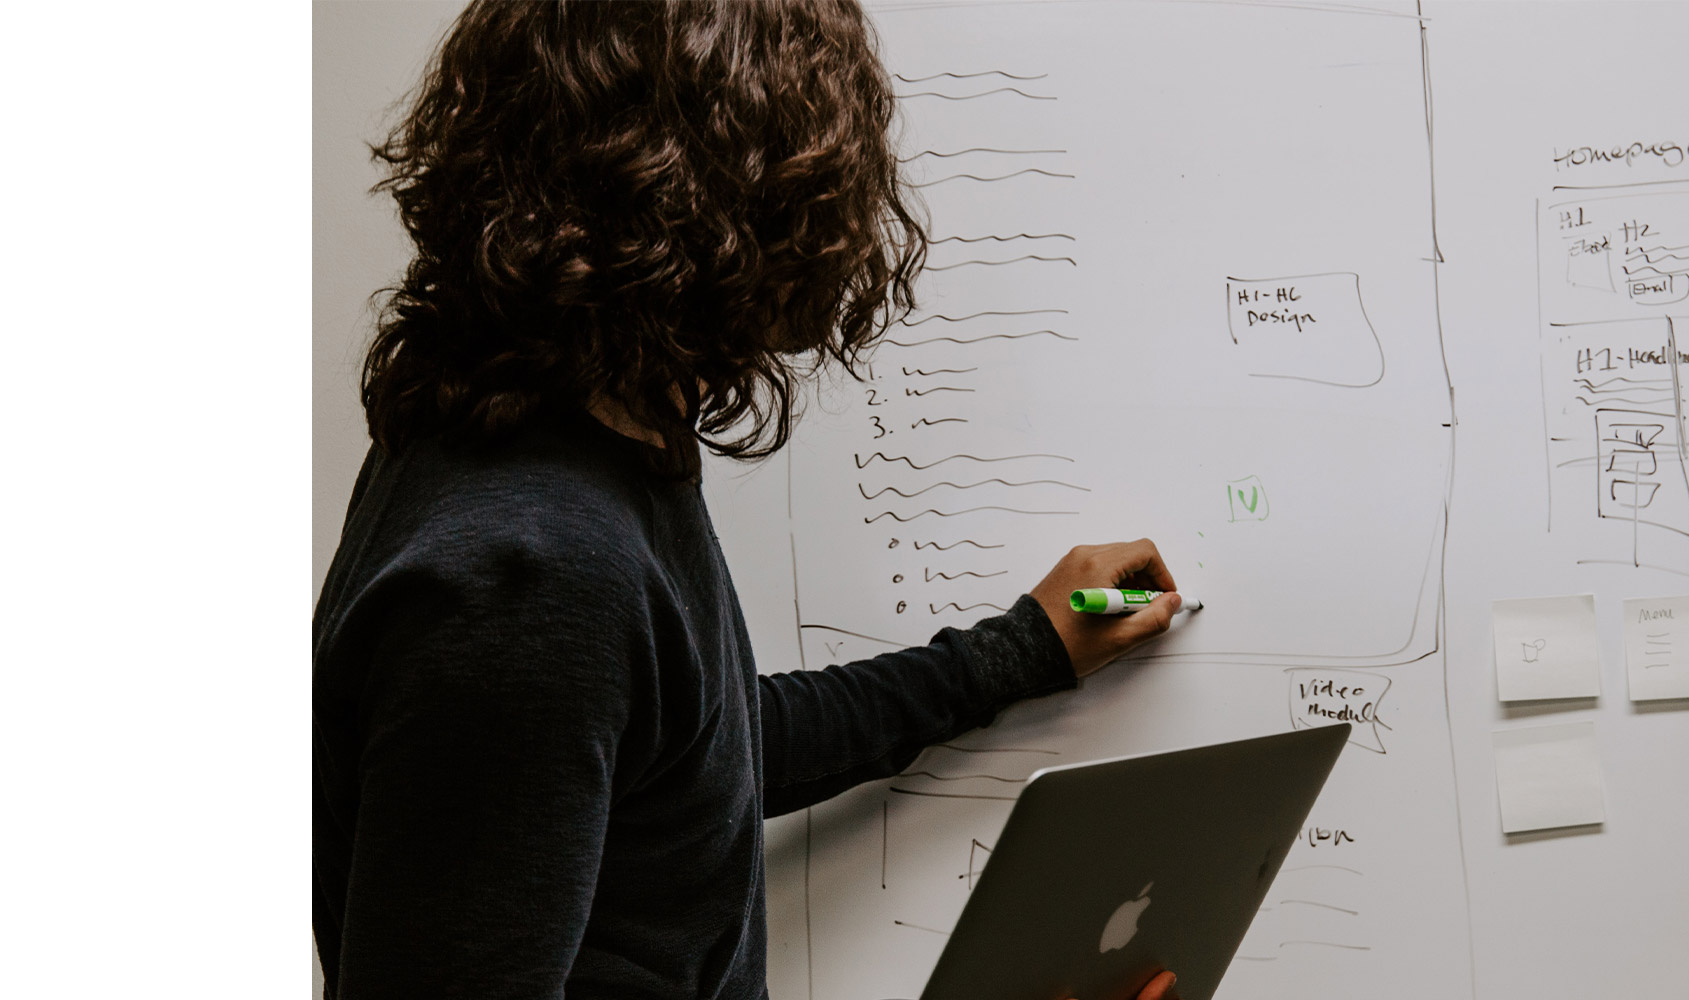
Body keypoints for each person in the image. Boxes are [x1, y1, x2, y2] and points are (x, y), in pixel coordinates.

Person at [312, 3, 1187, 998]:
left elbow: (690, 762)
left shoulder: (570, 437)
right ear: (710, 209)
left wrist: (1015, 651)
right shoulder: (529, 573)